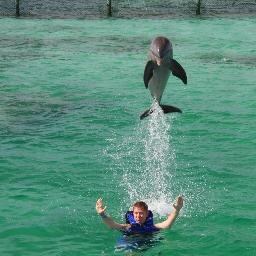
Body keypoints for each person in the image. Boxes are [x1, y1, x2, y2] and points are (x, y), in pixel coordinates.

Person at [95, 196, 183, 234]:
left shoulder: (153, 226)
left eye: (141, 213)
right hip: (130, 243)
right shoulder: (128, 227)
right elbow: (112, 225)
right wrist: (102, 214)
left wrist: (177, 210)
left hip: (148, 244)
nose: (138, 216)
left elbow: (167, 224)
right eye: (136, 213)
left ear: (147, 213)